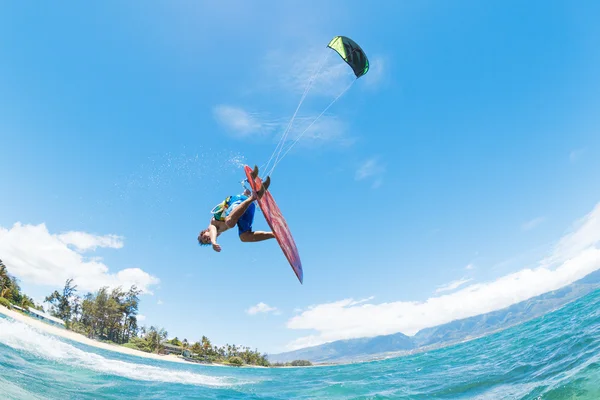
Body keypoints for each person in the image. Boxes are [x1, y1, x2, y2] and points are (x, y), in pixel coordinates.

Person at [198, 182, 275, 252]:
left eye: (204, 237)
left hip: (238, 201)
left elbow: (213, 232)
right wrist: (245, 194)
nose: (207, 239)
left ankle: (253, 197)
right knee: (244, 237)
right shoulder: (221, 230)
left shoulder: (212, 224)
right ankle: (274, 234)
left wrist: (213, 242)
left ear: (205, 231)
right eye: (206, 241)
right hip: (248, 207)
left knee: (229, 222)